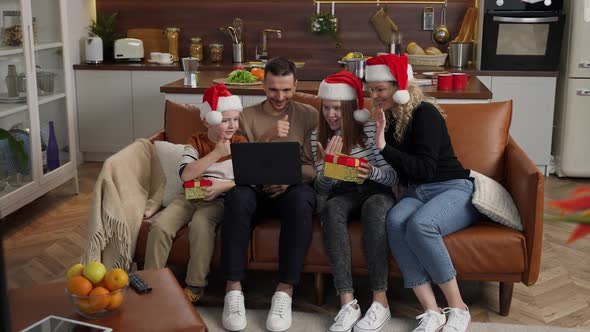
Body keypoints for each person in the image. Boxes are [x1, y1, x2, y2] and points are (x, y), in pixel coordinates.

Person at [365, 54, 478, 332]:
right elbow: (406, 175)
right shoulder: (388, 121)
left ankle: (459, 308)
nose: (374, 96)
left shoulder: (426, 113)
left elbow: (426, 169)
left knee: (420, 224)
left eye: (380, 89)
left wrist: (384, 148)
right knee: (394, 220)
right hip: (418, 192)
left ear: (399, 87)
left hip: (453, 187)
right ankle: (432, 310)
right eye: (371, 90)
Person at [221, 57, 318, 332]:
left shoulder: (309, 115)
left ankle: (284, 291)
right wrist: (267, 136)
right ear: (263, 85)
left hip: (292, 191)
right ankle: (233, 289)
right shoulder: (246, 116)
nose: (280, 96)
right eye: (273, 89)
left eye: (286, 90)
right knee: (237, 197)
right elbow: (237, 161)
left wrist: (289, 181)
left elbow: (313, 167)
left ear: (296, 85)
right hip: (255, 191)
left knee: (302, 200)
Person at [144, 84, 246, 304]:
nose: (232, 126)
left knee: (201, 224)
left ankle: (195, 286)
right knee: (161, 226)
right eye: (225, 120)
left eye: (235, 120)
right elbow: (186, 175)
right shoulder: (196, 141)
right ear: (207, 120)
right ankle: (151, 281)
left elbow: (246, 179)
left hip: (216, 201)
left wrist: (221, 187)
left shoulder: (240, 143)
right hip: (189, 196)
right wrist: (216, 153)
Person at [311, 71, 397, 332]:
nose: (331, 114)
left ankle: (380, 301)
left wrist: (370, 171)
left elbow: (392, 176)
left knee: (374, 208)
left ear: (350, 109)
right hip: (343, 191)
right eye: (326, 107)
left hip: (375, 188)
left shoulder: (371, 129)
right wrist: (328, 167)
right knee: (331, 208)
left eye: (337, 108)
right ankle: (347, 302)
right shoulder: (318, 135)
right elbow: (321, 188)